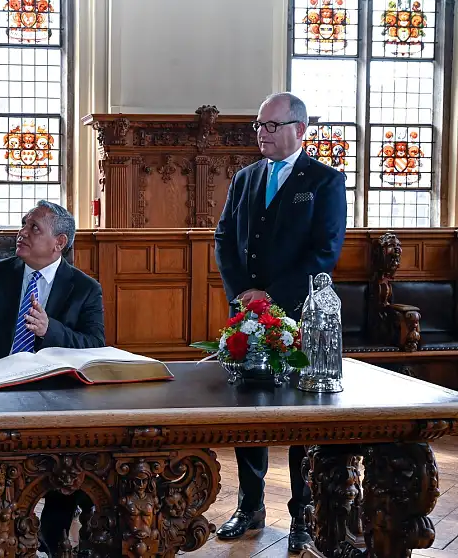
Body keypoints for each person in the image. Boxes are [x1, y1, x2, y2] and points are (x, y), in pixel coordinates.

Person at [213, 92, 347, 553]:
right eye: (258, 125)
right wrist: (242, 296)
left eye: (271, 126)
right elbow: (224, 237)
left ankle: (303, 516)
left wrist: (273, 295)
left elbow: (325, 252)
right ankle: (250, 505)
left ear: (300, 130)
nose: (261, 134)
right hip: (247, 315)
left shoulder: (325, 182)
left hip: (299, 315)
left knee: (298, 416)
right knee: (247, 411)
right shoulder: (246, 177)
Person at [0, 200, 105, 555]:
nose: (22, 234)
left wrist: (51, 330)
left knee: (73, 457)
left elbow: (94, 346)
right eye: (23, 225)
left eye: (34, 229)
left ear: (59, 243)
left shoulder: (84, 288)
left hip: (53, 397)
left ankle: (52, 534)